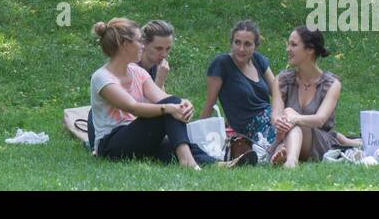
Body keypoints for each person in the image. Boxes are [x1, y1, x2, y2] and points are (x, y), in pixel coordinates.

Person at [88, 18, 220, 168]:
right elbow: (133, 107)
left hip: (137, 137)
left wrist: (183, 104)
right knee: (169, 109)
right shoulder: (101, 77)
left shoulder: (137, 72)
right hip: (111, 145)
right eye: (139, 41)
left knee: (175, 142)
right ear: (125, 45)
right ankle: (188, 162)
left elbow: (163, 98)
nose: (142, 46)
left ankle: (219, 164)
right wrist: (170, 107)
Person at [201, 20, 285, 161]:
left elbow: (277, 91)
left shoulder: (258, 60)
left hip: (270, 116)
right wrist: (200, 137)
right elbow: (210, 103)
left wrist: (278, 114)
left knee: (294, 121)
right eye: (237, 42)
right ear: (231, 43)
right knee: (291, 130)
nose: (241, 49)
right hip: (249, 127)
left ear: (255, 46)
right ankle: (279, 152)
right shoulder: (222, 64)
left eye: (247, 44)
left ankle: (329, 140)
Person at [273, 25, 342, 167]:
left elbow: (320, 119)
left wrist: (293, 118)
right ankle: (289, 157)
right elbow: (276, 115)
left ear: (310, 50)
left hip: (318, 141)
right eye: (288, 44)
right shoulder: (282, 80)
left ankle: (288, 157)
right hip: (285, 133)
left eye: (293, 45)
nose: (288, 49)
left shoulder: (331, 84)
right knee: (288, 116)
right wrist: (281, 122)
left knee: (289, 113)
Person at [138, 19, 174, 87]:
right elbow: (156, 97)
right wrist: (159, 80)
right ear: (144, 44)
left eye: (168, 49)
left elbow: (163, 96)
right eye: (158, 48)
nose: (164, 54)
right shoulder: (132, 70)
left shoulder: (154, 64)